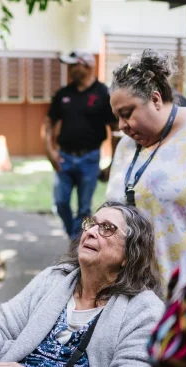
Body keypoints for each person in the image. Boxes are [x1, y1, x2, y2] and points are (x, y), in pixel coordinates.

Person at [0, 202, 165, 367]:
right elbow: (5, 327)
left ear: (129, 254)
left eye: (107, 228)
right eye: (91, 224)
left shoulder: (145, 310)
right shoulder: (55, 278)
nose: (90, 232)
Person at [106, 49, 186, 283]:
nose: (122, 125)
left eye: (127, 113)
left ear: (155, 99)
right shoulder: (126, 145)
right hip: (140, 297)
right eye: (117, 117)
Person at [45, 50, 118, 240]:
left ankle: (76, 243)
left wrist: (113, 162)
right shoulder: (63, 94)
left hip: (90, 158)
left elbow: (115, 129)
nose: (69, 70)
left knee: (85, 208)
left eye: (72, 65)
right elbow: (48, 124)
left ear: (86, 66)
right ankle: (73, 237)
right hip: (64, 157)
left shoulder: (103, 93)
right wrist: (50, 151)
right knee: (60, 203)